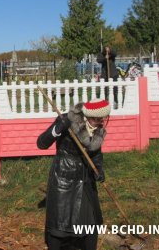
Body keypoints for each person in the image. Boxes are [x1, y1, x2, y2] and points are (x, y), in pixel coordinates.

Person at [37, 99, 110, 250]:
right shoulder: (67, 120)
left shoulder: (97, 129)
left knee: (90, 224)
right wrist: (58, 127)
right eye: (97, 119)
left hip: (86, 180)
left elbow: (96, 154)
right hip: (64, 178)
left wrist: (99, 169)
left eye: (102, 119)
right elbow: (41, 143)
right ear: (88, 115)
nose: (100, 122)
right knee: (60, 225)